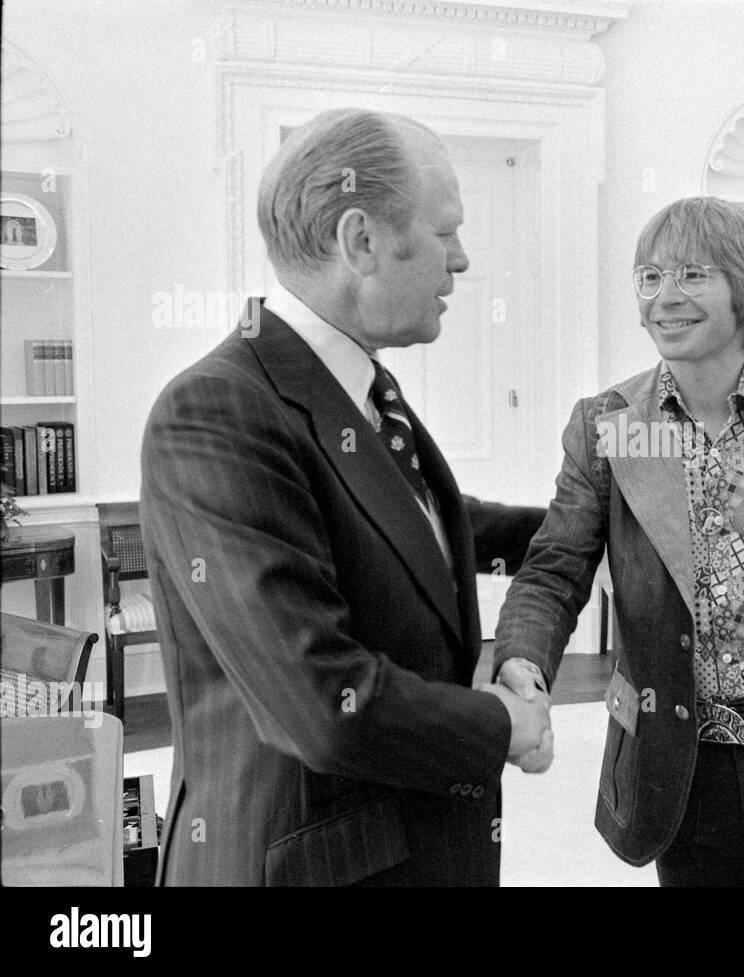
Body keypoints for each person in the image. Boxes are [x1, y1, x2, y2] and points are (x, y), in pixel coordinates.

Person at [140, 108, 550, 886]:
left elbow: (410, 530)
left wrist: (588, 525)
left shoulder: (352, 383)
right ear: (361, 240)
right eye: (446, 232)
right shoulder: (216, 412)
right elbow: (325, 702)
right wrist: (506, 723)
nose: (462, 261)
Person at [492, 196, 744, 886]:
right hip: (680, 760)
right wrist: (525, 658)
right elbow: (554, 569)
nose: (664, 296)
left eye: (690, 275)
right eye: (649, 278)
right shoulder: (609, 424)